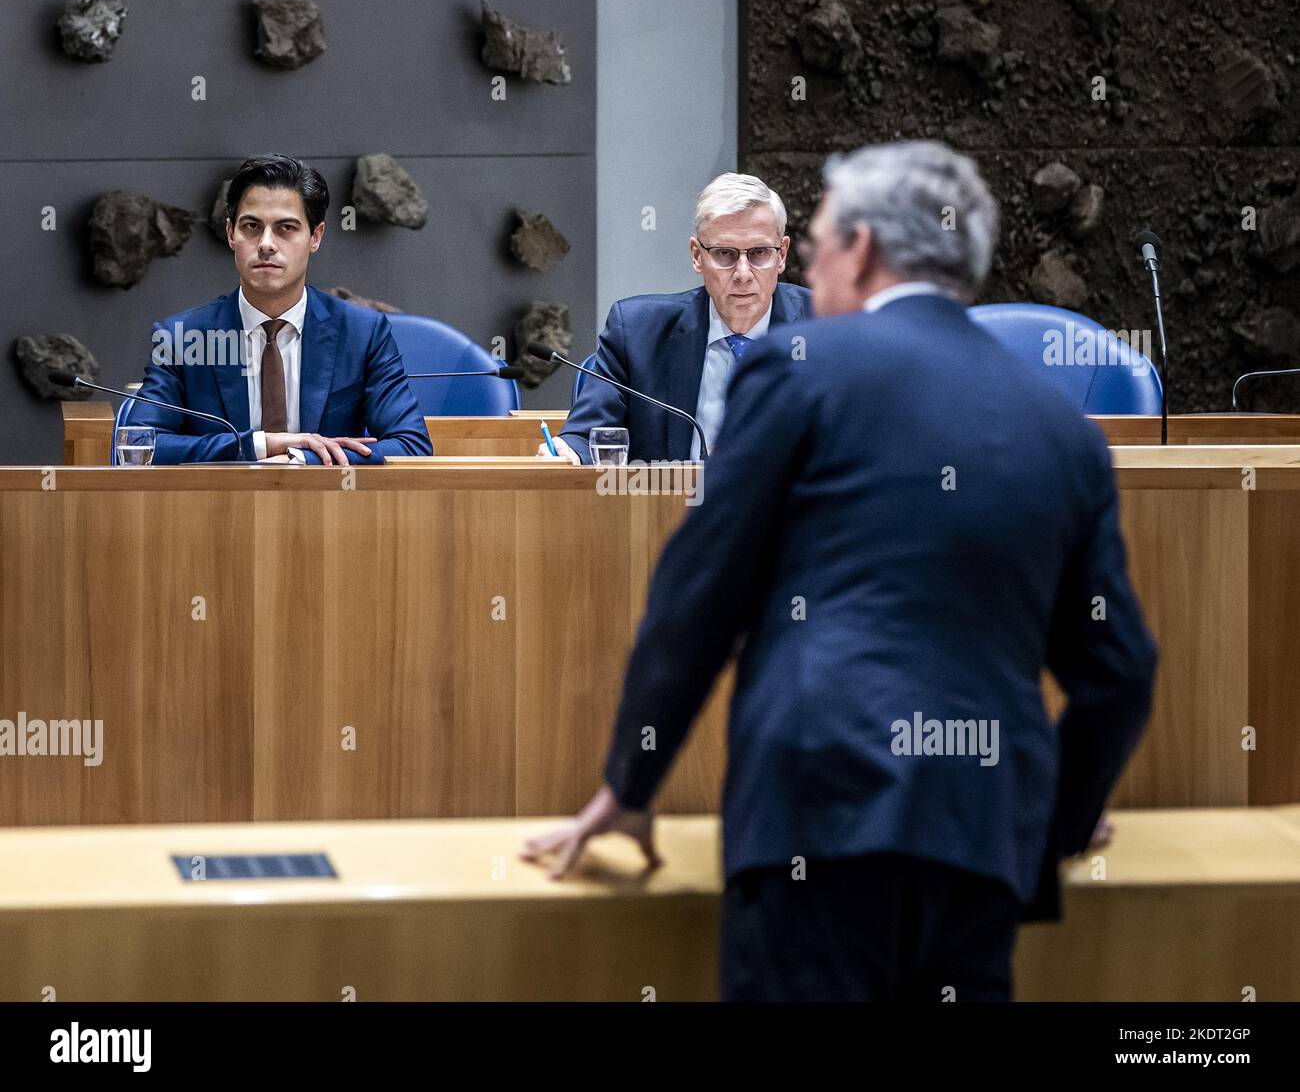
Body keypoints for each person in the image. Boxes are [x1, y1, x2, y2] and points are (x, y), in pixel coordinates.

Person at [524, 141, 1157, 1001]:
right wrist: (1054, 819)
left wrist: (631, 785)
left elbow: (697, 602)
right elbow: (1120, 673)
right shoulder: (1059, 422)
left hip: (815, 815)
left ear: (857, 251)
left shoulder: (798, 373)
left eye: (810, 246)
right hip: (979, 839)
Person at [132, 154, 431, 465]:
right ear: (231, 233)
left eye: (286, 227)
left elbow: (412, 447)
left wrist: (299, 459)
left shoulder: (362, 333)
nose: (266, 243)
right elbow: (139, 447)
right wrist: (261, 446)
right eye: (251, 226)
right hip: (218, 508)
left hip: (331, 508)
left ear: (315, 236)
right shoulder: (182, 338)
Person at [539, 172, 812, 464]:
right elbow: (586, 435)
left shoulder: (828, 326)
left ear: (782, 254)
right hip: (671, 507)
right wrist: (570, 452)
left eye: (759, 253)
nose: (743, 274)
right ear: (697, 255)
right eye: (724, 254)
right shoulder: (635, 332)